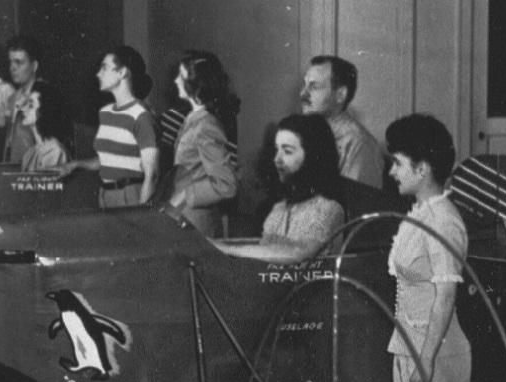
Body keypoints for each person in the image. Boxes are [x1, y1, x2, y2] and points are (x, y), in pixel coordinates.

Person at [384, 113, 469, 382]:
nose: (391, 172)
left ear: (422, 170)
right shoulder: (420, 213)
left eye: (397, 163)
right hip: (410, 347)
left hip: (433, 354)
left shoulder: (442, 220)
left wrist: (426, 359)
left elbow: (445, 296)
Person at [221, 113, 344, 263]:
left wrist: (226, 249)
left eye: (287, 151)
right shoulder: (279, 208)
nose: (276, 159)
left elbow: (298, 252)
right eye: (277, 150)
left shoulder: (329, 209)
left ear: (313, 156)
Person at [61, 47, 158, 208]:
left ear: (122, 73)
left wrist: (142, 216)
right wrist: (76, 164)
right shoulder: (106, 113)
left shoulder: (142, 116)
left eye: (104, 68)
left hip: (131, 196)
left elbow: (152, 175)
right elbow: (109, 160)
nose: (98, 74)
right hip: (105, 195)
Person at [166, 50, 238, 238]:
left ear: (197, 83)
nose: (175, 81)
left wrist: (186, 195)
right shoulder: (193, 118)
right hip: (183, 217)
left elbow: (226, 185)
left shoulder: (206, 125)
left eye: (180, 76)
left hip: (197, 223)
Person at [299, 55, 383, 187]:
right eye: (304, 85)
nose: (303, 93)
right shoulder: (304, 134)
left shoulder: (359, 144)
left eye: (314, 87)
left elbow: (358, 203)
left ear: (340, 95)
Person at [15, 80, 71, 171]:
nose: (22, 108)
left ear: (44, 111)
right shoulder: (29, 154)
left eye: (31, 104)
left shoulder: (55, 151)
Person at [2, 35, 40, 163]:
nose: (12, 67)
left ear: (34, 66)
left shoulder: (45, 97)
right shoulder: (12, 98)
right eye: (10, 62)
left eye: (19, 62)